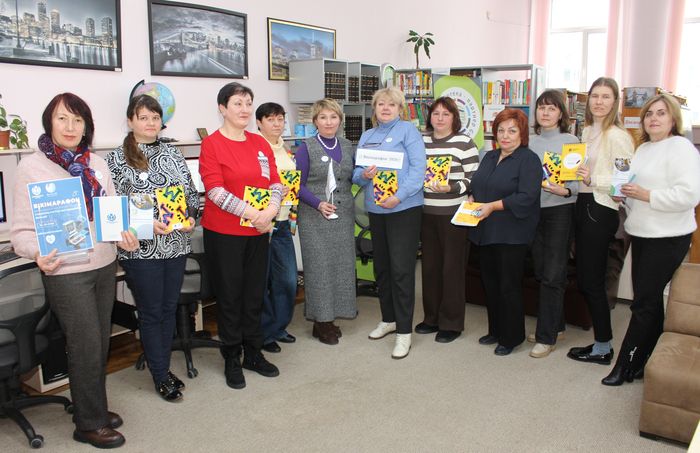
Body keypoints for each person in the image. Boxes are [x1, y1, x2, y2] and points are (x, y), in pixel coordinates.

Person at [11, 93, 138, 449]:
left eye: (78, 120)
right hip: (66, 270)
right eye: (62, 118)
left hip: (104, 265)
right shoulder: (31, 168)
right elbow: (20, 233)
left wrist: (125, 235)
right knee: (85, 344)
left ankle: (91, 406)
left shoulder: (96, 163)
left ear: (87, 126)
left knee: (98, 342)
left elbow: (110, 216)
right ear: (49, 122)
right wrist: (38, 253)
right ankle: (89, 424)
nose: (70, 127)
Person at [602, 94, 700, 385]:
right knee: (651, 300)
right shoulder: (643, 149)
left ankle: (625, 365)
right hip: (642, 232)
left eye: (661, 113)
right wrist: (622, 197)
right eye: (649, 114)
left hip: (668, 236)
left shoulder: (681, 148)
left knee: (642, 303)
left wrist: (647, 195)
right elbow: (634, 192)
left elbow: (689, 195)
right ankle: (647, 360)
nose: (654, 118)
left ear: (673, 119)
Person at [107, 94, 198, 401]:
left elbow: (190, 193)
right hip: (141, 249)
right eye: (143, 117)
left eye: (155, 117)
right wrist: (147, 223)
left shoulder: (173, 153)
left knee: (168, 309)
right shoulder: (116, 158)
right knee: (151, 312)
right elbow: (112, 206)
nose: (150, 123)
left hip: (175, 245)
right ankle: (160, 375)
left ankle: (163, 367)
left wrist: (191, 217)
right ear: (130, 121)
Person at [198, 82, 283, 390]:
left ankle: (253, 353)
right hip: (225, 233)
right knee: (230, 297)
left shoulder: (260, 143)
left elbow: (275, 182)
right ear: (222, 108)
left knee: (254, 295)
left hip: (258, 231)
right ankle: (232, 357)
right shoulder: (212, 144)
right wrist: (256, 215)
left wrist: (269, 211)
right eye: (237, 103)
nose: (245, 109)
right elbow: (215, 191)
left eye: (248, 103)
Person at [353, 87, 426, 359]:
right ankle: (389, 319)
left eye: (391, 104)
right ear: (374, 109)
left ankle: (404, 332)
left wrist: (399, 196)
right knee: (382, 268)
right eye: (381, 104)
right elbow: (357, 174)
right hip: (376, 210)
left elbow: (418, 170)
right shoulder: (367, 136)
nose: (385, 108)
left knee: (401, 270)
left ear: (400, 109)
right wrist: (364, 176)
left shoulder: (409, 132)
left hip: (403, 208)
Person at [567, 77, 634, 365]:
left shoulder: (618, 136)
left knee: (592, 281)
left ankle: (603, 347)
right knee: (586, 278)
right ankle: (601, 343)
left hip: (600, 208)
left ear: (615, 102)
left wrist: (592, 178)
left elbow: (623, 183)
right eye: (595, 96)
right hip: (582, 206)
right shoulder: (586, 131)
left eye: (606, 97)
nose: (599, 102)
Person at [469, 108, 541, 356]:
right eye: (501, 130)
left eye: (512, 130)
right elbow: (478, 184)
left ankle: (511, 337)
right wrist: (471, 197)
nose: (506, 136)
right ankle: (495, 330)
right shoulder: (490, 156)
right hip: (486, 230)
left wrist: (493, 206)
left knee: (509, 286)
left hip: (512, 233)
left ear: (522, 133)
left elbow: (527, 197)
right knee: (490, 283)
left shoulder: (529, 160)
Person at [414, 96, 479, 343]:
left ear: (454, 117)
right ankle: (431, 318)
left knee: (452, 269)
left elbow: (474, 179)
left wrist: (451, 187)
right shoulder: (421, 141)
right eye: (436, 113)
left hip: (454, 214)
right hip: (426, 213)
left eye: (446, 114)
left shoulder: (464, 143)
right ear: (429, 116)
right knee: (430, 268)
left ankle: (451, 323)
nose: (440, 118)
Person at [295, 98, 357, 345]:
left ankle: (331, 317)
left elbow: (352, 178)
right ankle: (322, 322)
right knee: (319, 268)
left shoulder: (348, 145)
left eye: (333, 117)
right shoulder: (305, 148)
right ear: (315, 122)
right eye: (323, 117)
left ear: (340, 120)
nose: (329, 122)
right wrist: (318, 203)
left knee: (341, 267)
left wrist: (366, 174)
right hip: (314, 216)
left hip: (343, 216)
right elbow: (297, 186)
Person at [527, 90, 580, 358]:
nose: (545, 113)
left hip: (559, 210)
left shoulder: (571, 141)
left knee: (553, 274)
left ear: (561, 113)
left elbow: (575, 183)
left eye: (551, 108)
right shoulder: (529, 142)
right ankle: (556, 326)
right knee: (540, 270)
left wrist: (566, 190)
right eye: (541, 108)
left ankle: (545, 337)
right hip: (532, 212)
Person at [255, 102, 298, 353]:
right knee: (262, 282)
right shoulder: (254, 148)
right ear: (259, 123)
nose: (277, 124)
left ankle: (278, 326)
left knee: (288, 280)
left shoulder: (285, 149)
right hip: (262, 223)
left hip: (282, 221)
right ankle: (265, 333)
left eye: (280, 119)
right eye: (270, 119)